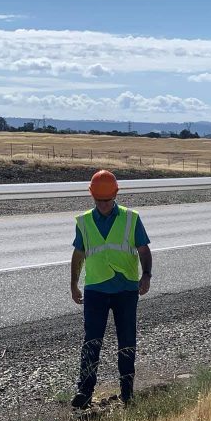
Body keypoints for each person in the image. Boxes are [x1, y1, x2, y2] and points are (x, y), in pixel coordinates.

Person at [70, 170, 153, 408]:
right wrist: (74, 284)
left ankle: (127, 392)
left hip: (125, 290)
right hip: (95, 290)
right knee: (91, 341)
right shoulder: (84, 221)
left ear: (115, 194)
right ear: (92, 196)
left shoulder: (131, 218)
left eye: (107, 200)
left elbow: (144, 250)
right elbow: (78, 254)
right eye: (99, 200)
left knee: (127, 341)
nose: (103, 205)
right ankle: (84, 392)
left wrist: (146, 275)